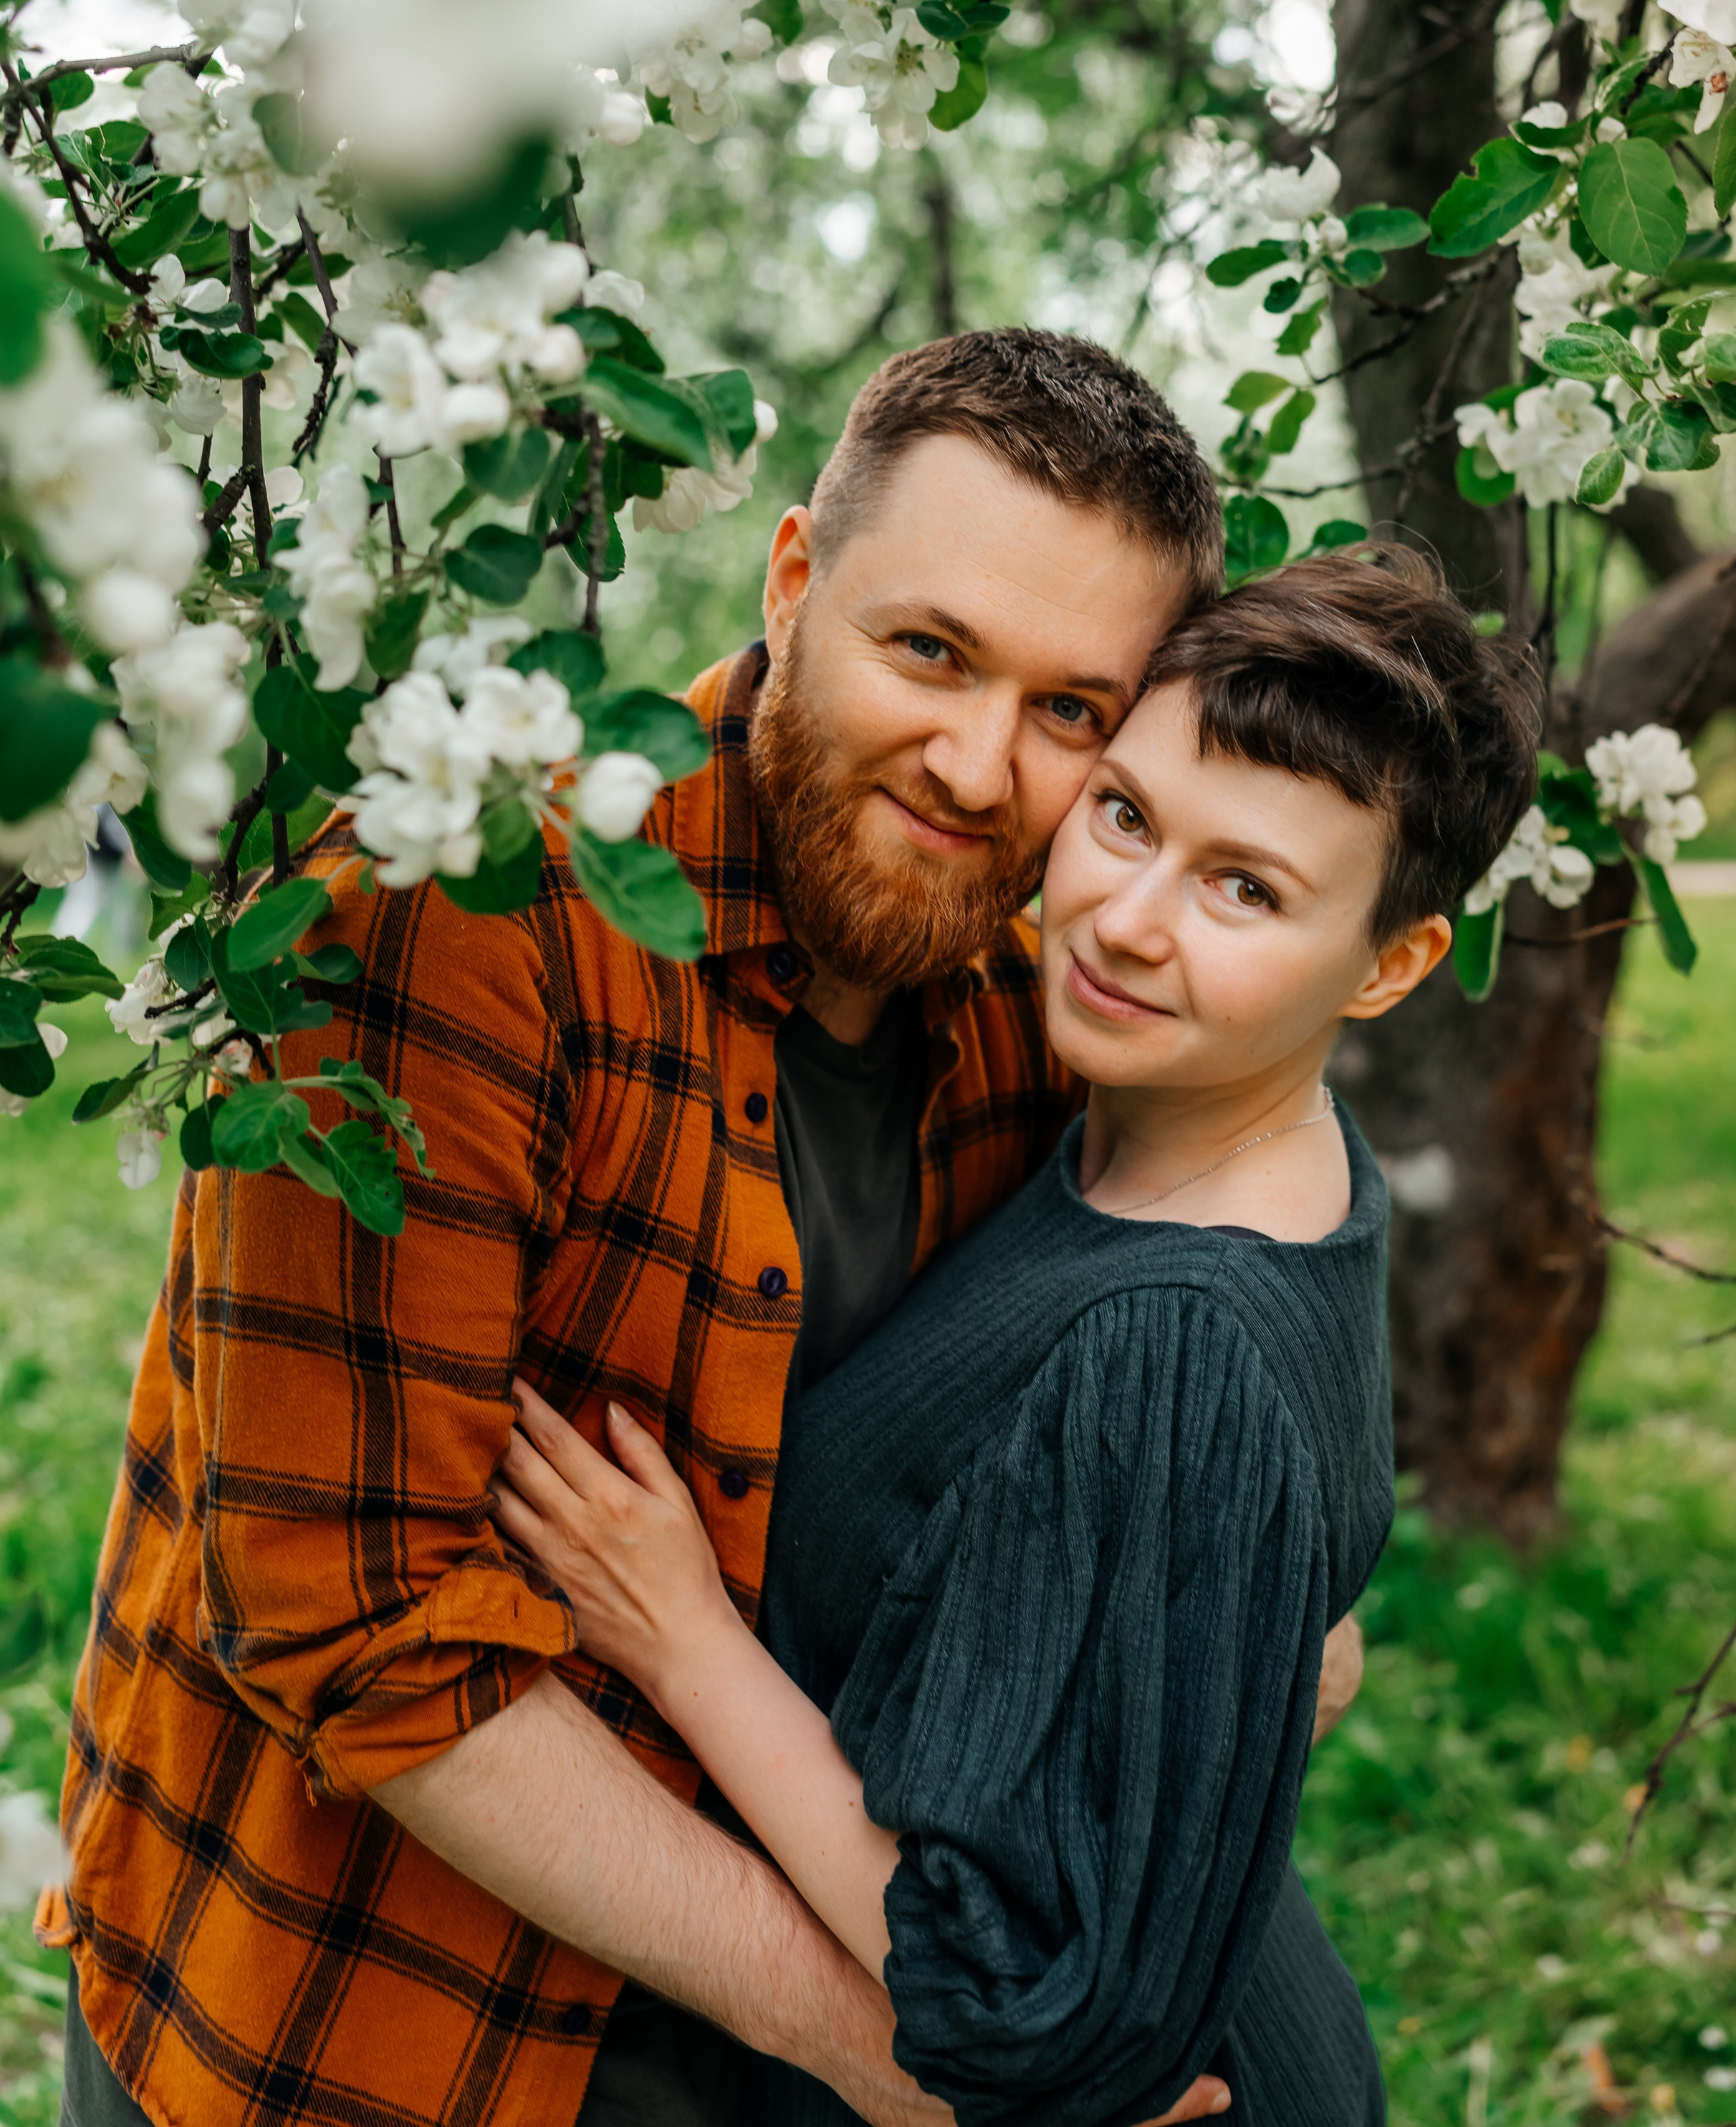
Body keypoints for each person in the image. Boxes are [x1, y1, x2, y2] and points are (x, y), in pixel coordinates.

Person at [44, 330, 1250, 2127]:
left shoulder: (1032, 1017)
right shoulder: (454, 912)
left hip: (748, 2007)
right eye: (928, 651)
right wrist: (881, 2045)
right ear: (790, 581)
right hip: (352, 2020)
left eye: (1070, 710)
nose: (978, 766)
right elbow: (356, 1634)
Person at [491, 547, 1545, 2126]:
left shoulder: (1178, 1335)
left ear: (1388, 966)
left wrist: (687, 1642)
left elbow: (1018, 2003)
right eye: (1122, 816)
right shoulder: (1207, 1136)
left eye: (1241, 888)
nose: (1123, 922)